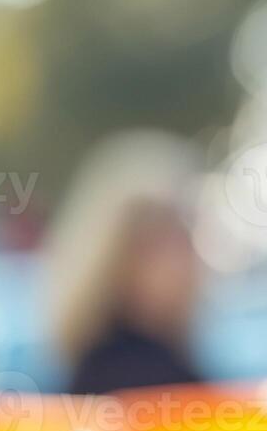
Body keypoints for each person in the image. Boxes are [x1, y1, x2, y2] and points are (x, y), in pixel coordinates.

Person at [45, 131, 205, 396]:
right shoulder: (141, 375)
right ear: (117, 256)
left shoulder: (88, 366)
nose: (187, 256)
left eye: (186, 234)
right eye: (162, 241)